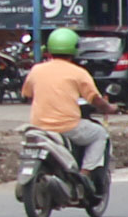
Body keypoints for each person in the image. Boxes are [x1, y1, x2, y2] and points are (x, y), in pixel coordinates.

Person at [20, 27, 116, 198]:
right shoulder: (78, 73)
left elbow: (27, 94)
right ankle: (85, 174)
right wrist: (109, 108)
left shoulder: (36, 70)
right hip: (68, 127)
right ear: (74, 49)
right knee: (100, 134)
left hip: (39, 127)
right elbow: (95, 99)